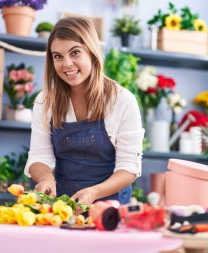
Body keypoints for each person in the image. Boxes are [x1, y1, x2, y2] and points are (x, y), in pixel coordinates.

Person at [24, 17, 144, 205]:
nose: (67, 64)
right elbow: (39, 157)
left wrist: (95, 192)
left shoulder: (122, 100)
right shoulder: (45, 101)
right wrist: (45, 178)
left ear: (92, 52)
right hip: (61, 206)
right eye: (58, 56)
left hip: (109, 207)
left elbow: (129, 167)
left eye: (75, 53)